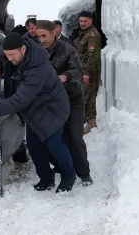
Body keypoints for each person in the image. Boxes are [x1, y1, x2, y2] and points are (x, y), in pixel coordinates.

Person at [0, 32, 76, 193]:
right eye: (6, 55)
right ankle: (46, 179)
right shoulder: (8, 52)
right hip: (33, 108)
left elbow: (19, 100)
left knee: (54, 145)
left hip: (52, 108)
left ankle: (69, 177)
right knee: (34, 146)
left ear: (23, 49)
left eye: (12, 55)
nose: (9, 59)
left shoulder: (38, 67)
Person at [33, 20, 93, 186]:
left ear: (54, 33)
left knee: (74, 136)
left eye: (44, 36)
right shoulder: (36, 52)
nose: (42, 40)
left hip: (72, 100)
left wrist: (65, 76)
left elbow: (78, 70)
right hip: (51, 103)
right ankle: (62, 166)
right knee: (52, 137)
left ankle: (84, 173)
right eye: (38, 37)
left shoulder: (68, 50)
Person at [76, 11, 101, 134]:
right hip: (84, 70)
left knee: (88, 98)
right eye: (81, 21)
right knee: (87, 97)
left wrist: (87, 73)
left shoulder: (92, 35)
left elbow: (92, 56)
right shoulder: (84, 33)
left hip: (90, 73)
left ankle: (90, 124)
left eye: (85, 21)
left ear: (91, 21)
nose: (82, 23)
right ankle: (91, 123)